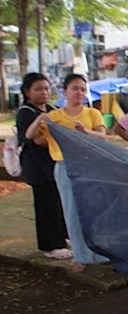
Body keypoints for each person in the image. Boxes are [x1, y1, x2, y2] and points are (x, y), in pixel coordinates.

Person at [25, 74, 110, 273]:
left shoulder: (92, 114)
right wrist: (39, 120)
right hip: (65, 167)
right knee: (72, 213)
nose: (79, 93)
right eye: (74, 88)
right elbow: (31, 136)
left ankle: (101, 252)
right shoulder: (55, 117)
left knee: (96, 211)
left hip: (90, 167)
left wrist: (85, 132)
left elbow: (103, 137)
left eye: (83, 89)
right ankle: (81, 256)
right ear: (65, 91)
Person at [15, 73, 70, 260]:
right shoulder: (26, 112)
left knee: (58, 202)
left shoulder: (53, 109)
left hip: (54, 164)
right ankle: (50, 245)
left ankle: (62, 236)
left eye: (46, 88)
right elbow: (37, 140)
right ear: (27, 92)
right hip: (37, 167)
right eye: (38, 89)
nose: (44, 92)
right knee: (46, 205)